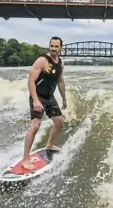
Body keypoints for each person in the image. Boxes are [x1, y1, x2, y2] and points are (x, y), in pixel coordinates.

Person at [21, 36, 67, 170]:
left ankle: (50, 145)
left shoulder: (61, 63)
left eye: (56, 46)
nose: (53, 49)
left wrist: (64, 99)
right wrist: (35, 100)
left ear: (60, 48)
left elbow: (60, 82)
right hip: (38, 96)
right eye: (51, 46)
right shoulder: (42, 60)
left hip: (49, 97)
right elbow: (30, 81)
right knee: (35, 126)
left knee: (59, 121)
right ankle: (25, 159)